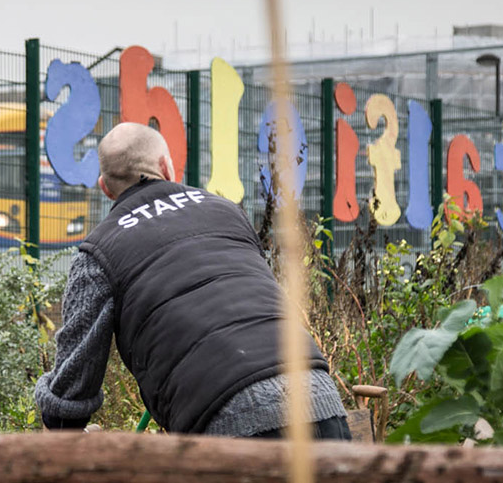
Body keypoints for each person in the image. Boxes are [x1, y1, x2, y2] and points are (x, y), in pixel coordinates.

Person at [34, 122, 349, 439]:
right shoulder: (227, 212)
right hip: (319, 396)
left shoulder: (100, 251)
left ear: (105, 187)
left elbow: (72, 387)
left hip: (227, 418)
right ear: (165, 167)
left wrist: (59, 423)